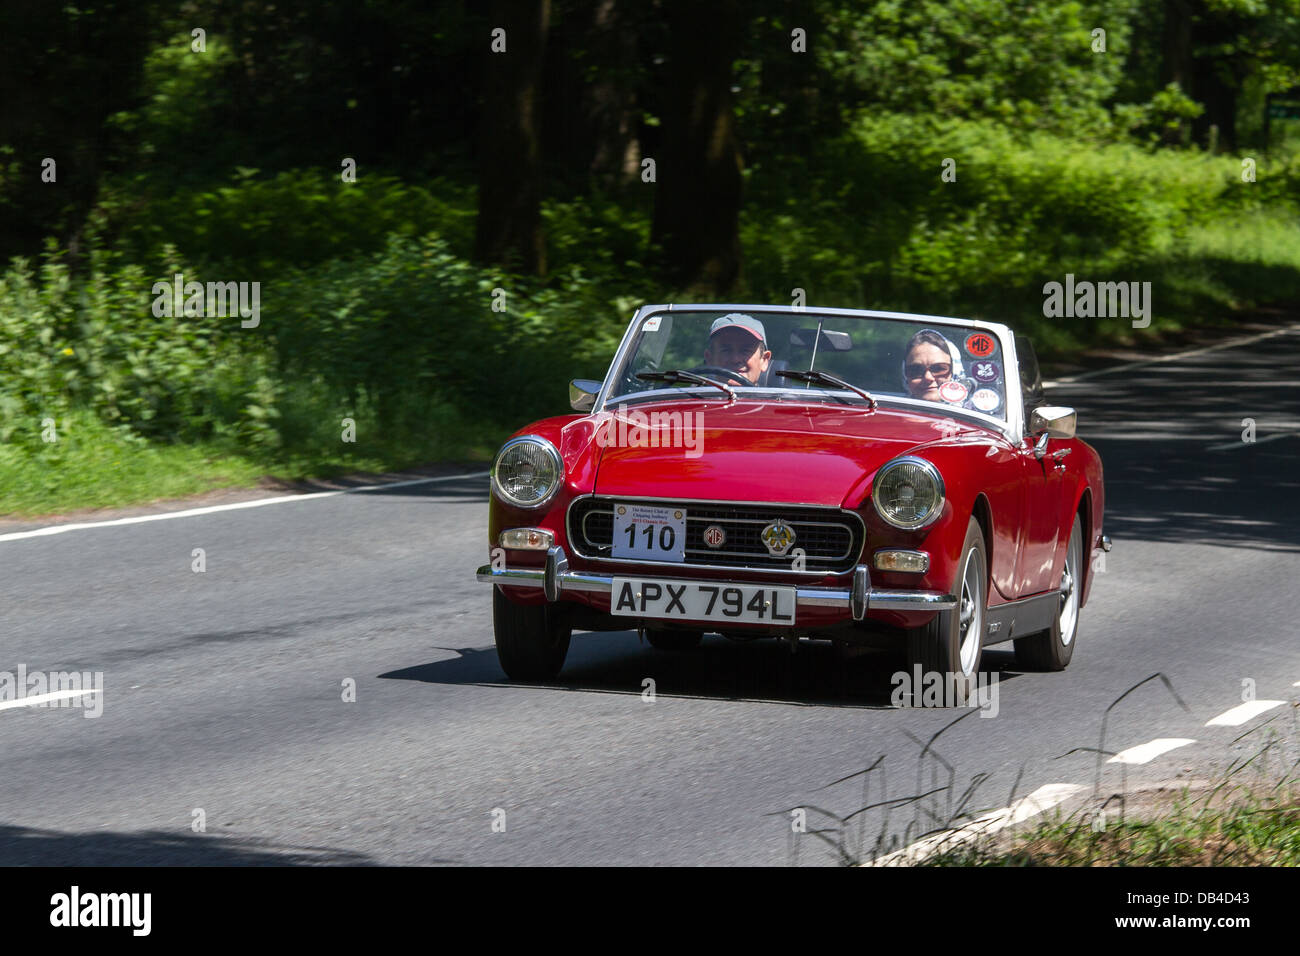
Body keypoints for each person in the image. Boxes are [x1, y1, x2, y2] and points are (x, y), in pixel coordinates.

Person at [702, 313, 771, 386]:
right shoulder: (691, 395)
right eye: (726, 350)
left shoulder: (780, 396)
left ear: (764, 360)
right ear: (709, 359)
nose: (735, 360)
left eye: (745, 351)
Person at [902, 328, 967, 403]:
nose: (928, 377)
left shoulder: (974, 413)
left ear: (955, 371)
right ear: (905, 375)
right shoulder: (893, 411)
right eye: (916, 370)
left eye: (938, 369)